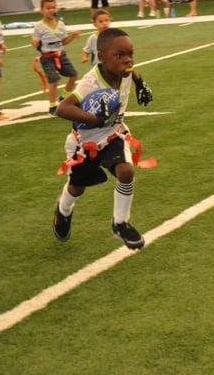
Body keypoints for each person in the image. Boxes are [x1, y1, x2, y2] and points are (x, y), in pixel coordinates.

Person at [53, 28, 154, 249]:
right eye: (120, 55)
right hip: (85, 142)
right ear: (101, 57)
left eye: (130, 54)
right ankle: (63, 209)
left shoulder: (125, 70)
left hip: (113, 135)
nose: (127, 60)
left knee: (126, 171)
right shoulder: (91, 82)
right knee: (77, 187)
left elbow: (132, 69)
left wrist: (140, 83)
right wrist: (94, 119)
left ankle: (120, 223)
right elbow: (63, 108)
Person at [32, 0, 81, 115]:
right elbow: (35, 41)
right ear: (42, 10)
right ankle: (52, 106)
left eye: (53, 7)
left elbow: (63, 41)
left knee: (73, 75)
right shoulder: (39, 26)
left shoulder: (61, 24)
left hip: (60, 55)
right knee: (54, 80)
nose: (51, 10)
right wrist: (35, 42)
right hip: (47, 58)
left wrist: (72, 36)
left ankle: (64, 96)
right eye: (47, 8)